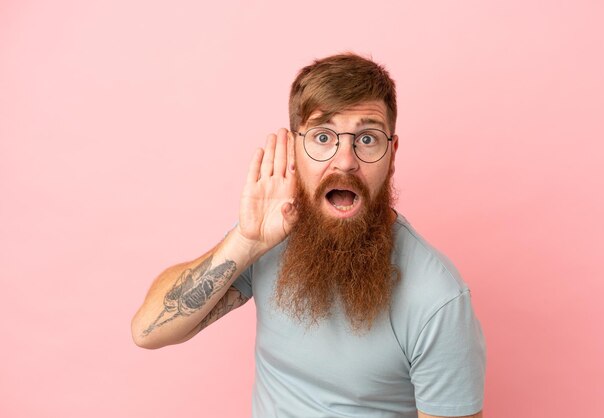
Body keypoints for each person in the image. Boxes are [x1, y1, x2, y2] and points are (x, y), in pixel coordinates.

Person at [131, 53, 486, 418]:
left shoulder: (438, 298)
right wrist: (246, 242)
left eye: (367, 138)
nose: (345, 160)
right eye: (322, 136)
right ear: (295, 149)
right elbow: (148, 332)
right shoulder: (267, 239)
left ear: (392, 154)